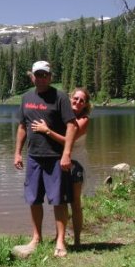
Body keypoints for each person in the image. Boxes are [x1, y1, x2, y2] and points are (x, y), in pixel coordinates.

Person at [13, 60, 78, 258]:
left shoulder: (60, 97)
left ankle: (60, 240)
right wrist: (17, 152)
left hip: (55, 158)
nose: (40, 78)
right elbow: (22, 126)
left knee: (58, 200)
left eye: (44, 75)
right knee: (33, 199)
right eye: (37, 75)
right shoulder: (26, 98)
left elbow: (72, 126)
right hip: (33, 157)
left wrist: (66, 153)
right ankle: (36, 237)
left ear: (50, 76)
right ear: (32, 76)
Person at [31, 87, 92, 247]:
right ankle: (61, 237)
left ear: (85, 105)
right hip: (61, 162)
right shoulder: (63, 115)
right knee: (61, 201)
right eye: (75, 98)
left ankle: (78, 240)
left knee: (75, 203)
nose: (78, 102)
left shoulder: (83, 120)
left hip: (76, 165)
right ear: (70, 98)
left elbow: (68, 141)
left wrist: (47, 131)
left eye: (82, 100)